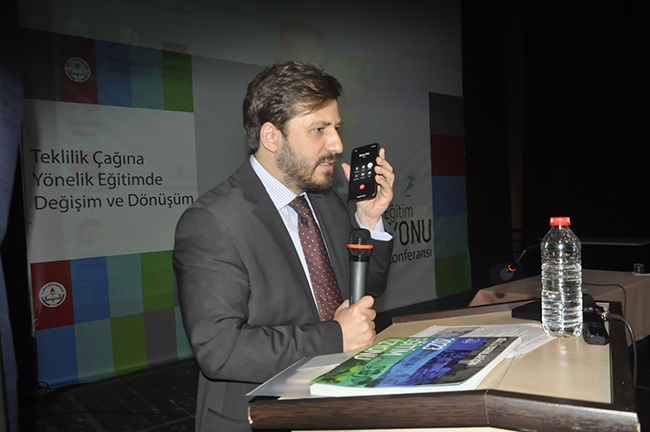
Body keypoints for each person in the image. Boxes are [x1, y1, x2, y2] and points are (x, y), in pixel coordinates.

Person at [172, 61, 395, 431]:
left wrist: (369, 221)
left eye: (336, 128)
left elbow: (363, 296)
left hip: (339, 404)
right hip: (260, 418)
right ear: (271, 137)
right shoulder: (212, 222)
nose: (337, 144)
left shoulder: (327, 202)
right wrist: (336, 336)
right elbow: (220, 349)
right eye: (319, 129)